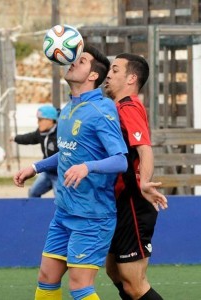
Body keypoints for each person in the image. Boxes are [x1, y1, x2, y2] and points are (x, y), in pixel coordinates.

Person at [13, 44, 128, 300]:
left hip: (92, 215)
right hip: (64, 211)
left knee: (80, 286)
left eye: (82, 60)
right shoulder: (68, 109)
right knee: (46, 278)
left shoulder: (101, 109)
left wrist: (88, 167)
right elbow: (69, 152)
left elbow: (121, 160)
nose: (73, 62)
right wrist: (35, 167)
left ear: (93, 75)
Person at [104, 53, 168, 300]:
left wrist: (144, 183)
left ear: (131, 78)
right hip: (120, 201)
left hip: (134, 200)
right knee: (114, 272)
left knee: (134, 283)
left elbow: (145, 149)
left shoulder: (129, 107)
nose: (108, 74)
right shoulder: (118, 107)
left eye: (116, 70)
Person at [12, 105, 58, 197]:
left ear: (50, 120)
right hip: (47, 173)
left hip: (60, 175)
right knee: (33, 193)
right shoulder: (41, 133)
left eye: (40, 120)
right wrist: (15, 138)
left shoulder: (61, 134)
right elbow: (29, 138)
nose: (38, 123)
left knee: (61, 202)